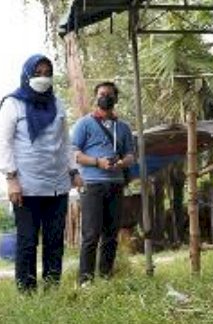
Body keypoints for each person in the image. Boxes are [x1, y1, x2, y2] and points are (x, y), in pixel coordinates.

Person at [0, 54, 82, 293]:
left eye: (47, 73)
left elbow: (66, 142)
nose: (43, 78)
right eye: (38, 73)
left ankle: (52, 288)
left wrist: (73, 171)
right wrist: (11, 180)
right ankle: (27, 292)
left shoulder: (58, 103)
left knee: (55, 240)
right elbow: (3, 144)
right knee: (27, 241)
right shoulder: (13, 103)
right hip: (26, 185)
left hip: (57, 184)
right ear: (27, 75)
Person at [72, 81, 135, 286]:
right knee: (91, 234)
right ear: (95, 97)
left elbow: (131, 156)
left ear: (115, 99)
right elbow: (74, 154)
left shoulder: (123, 127)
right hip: (92, 185)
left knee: (111, 234)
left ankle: (106, 276)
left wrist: (121, 163)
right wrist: (97, 162)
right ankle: (85, 281)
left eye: (109, 94)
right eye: (101, 94)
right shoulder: (84, 124)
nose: (104, 97)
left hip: (116, 184)